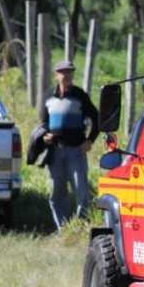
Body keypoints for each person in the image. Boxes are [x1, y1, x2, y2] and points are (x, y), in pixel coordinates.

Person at [39, 60, 99, 230]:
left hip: (76, 151)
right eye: (62, 71)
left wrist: (90, 140)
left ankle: (80, 227)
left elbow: (96, 119)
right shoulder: (49, 97)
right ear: (56, 75)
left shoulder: (80, 95)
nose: (66, 75)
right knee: (57, 193)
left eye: (69, 71)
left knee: (81, 192)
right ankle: (63, 229)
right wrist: (46, 136)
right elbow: (44, 123)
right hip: (55, 152)